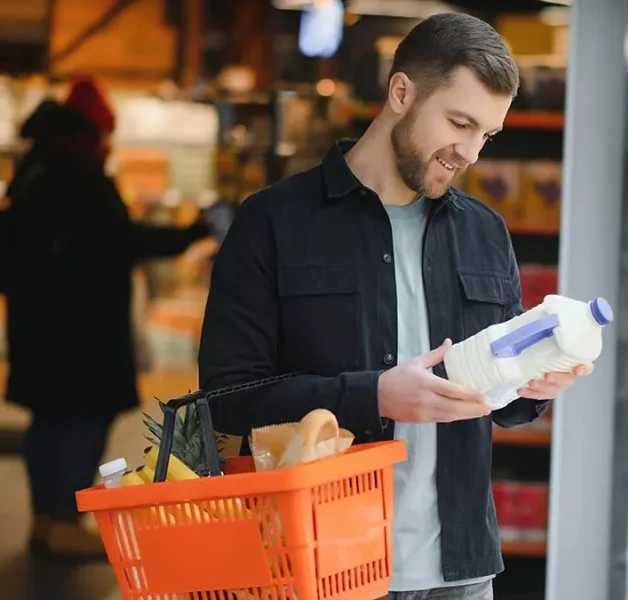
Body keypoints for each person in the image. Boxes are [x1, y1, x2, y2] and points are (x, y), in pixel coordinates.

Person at [198, 13, 593, 600]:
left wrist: (531, 388)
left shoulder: (486, 232)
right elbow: (226, 400)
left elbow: (497, 406)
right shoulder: (273, 222)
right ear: (402, 92)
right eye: (459, 123)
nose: (469, 154)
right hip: (320, 566)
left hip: (459, 572)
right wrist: (373, 395)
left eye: (486, 135)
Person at [2, 75, 211, 556]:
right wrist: (192, 232)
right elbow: (126, 239)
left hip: (41, 327)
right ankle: (64, 520)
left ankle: (45, 519)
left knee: (49, 420)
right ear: (86, 133)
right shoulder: (78, 175)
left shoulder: (33, 170)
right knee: (82, 421)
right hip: (82, 333)